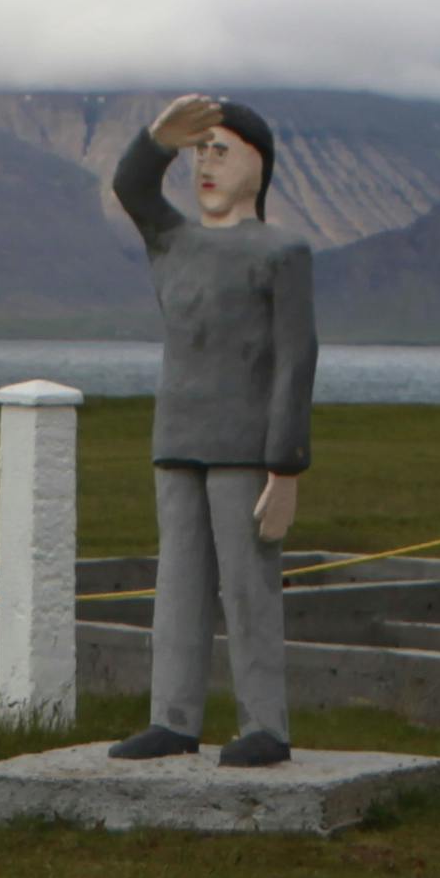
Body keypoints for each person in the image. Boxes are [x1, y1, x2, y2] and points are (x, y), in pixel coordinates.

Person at [109, 90, 316, 765]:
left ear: (258, 164)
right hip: (177, 440)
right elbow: (133, 187)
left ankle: (265, 723)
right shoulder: (172, 240)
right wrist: (157, 139)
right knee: (178, 586)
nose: (206, 165)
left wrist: (285, 464)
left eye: (220, 151)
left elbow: (296, 357)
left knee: (249, 587)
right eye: (199, 152)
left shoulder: (281, 251)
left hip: (244, 449)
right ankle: (173, 717)